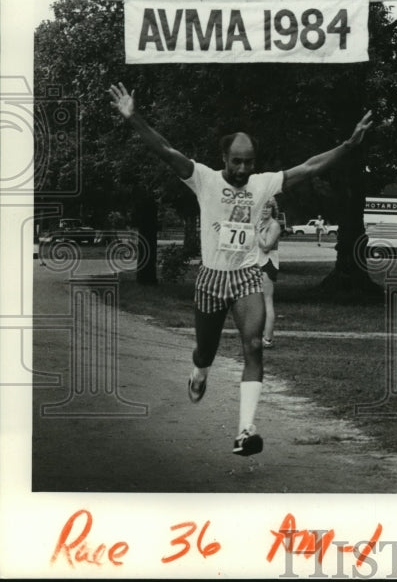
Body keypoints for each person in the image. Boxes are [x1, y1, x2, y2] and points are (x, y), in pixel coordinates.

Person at [108, 82, 372, 457]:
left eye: (250, 162)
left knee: (253, 346)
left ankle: (246, 430)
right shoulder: (204, 179)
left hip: (247, 275)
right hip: (212, 279)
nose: (244, 169)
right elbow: (166, 151)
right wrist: (134, 118)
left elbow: (310, 167)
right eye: (237, 162)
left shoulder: (263, 184)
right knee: (207, 351)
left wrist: (348, 145)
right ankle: (199, 372)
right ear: (224, 158)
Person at [258, 198, 282, 349]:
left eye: (268, 207)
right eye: (263, 207)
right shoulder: (260, 223)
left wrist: (255, 232)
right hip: (257, 263)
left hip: (268, 263)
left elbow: (266, 246)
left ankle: (268, 338)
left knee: (267, 301)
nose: (265, 210)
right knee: (257, 302)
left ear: (273, 209)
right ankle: (259, 334)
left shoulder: (274, 225)